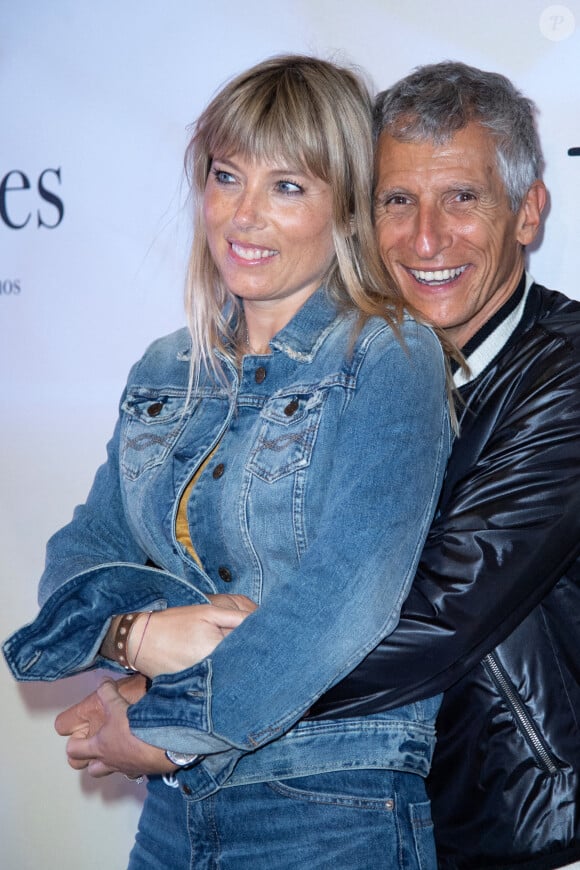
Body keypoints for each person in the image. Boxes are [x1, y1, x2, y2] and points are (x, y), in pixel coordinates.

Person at [3, 55, 453, 869]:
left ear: (343, 208)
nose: (244, 217)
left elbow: (344, 599)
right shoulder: (166, 368)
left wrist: (164, 732)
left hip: (328, 812)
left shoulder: (390, 355)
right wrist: (138, 635)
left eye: (288, 187)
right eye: (226, 176)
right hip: (175, 819)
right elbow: (78, 555)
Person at [308, 61, 580, 869]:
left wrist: (197, 708)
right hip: (379, 825)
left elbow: (435, 616)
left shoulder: (566, 374)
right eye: (399, 201)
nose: (426, 239)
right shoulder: (356, 372)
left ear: (529, 211)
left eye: (462, 197)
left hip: (532, 836)